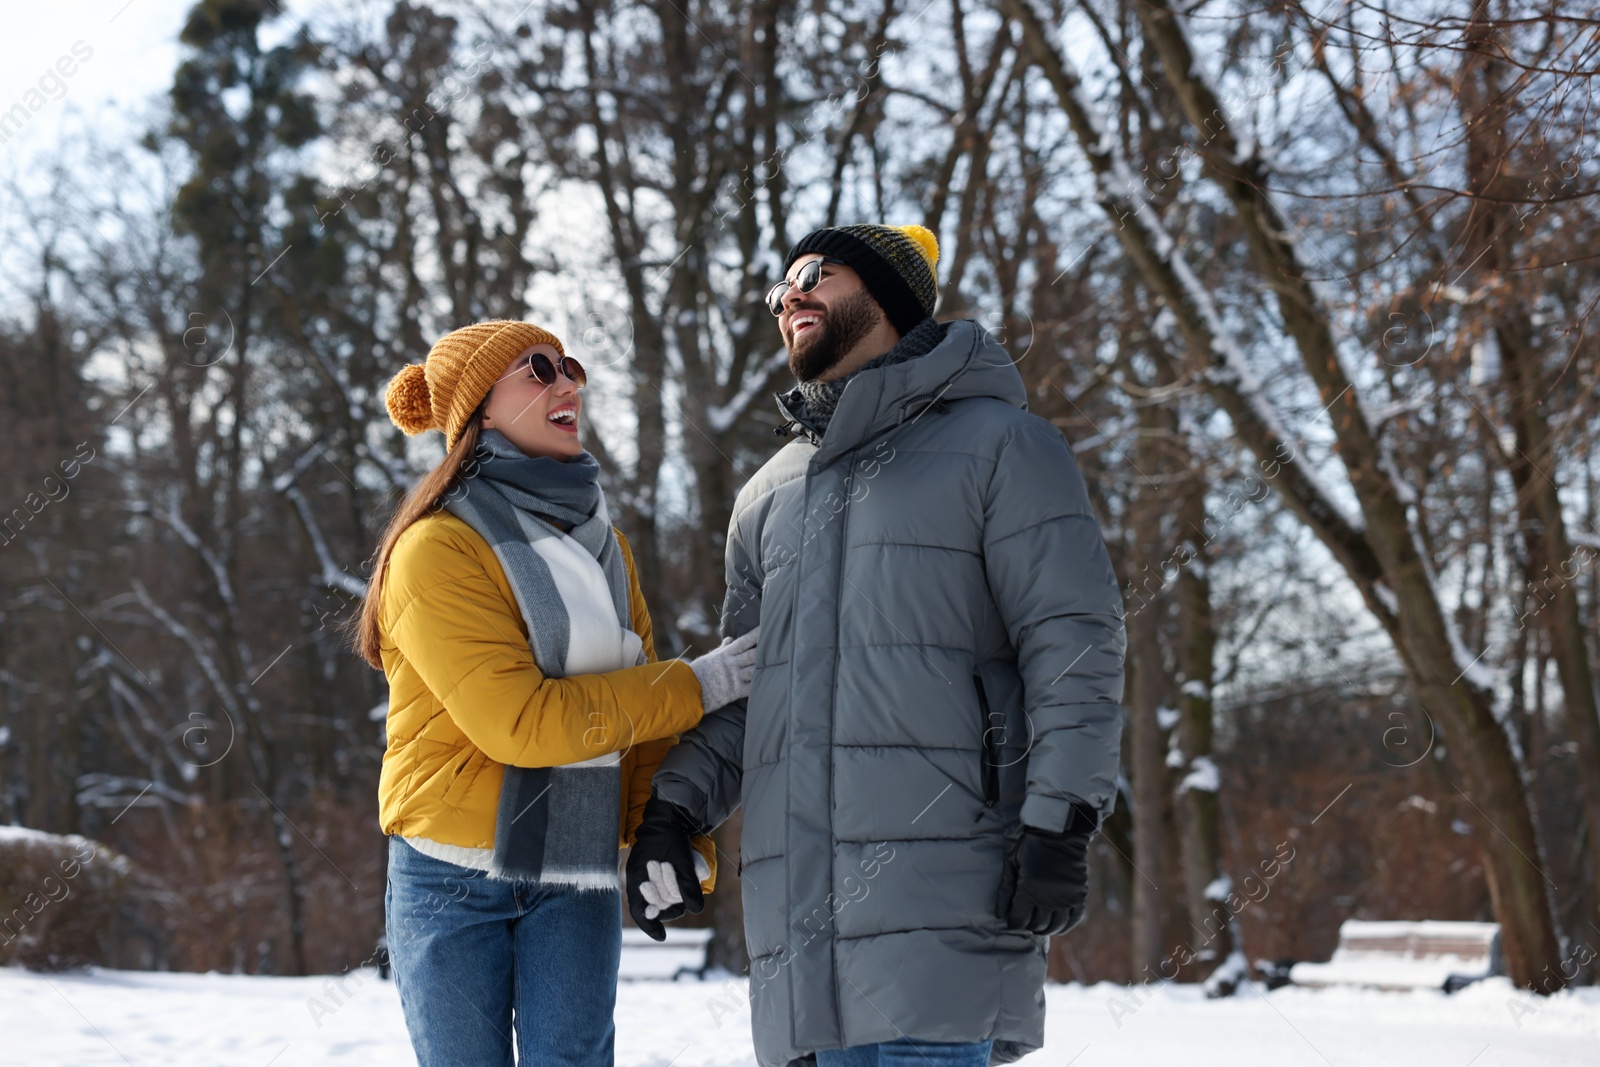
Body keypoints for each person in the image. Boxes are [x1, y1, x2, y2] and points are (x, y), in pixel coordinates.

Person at [625, 225, 1126, 1067]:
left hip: (945, 903)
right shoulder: (766, 496)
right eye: (780, 286)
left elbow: (1074, 643)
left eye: (814, 273)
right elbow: (750, 688)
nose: (791, 296)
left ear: (890, 294)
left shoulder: (1001, 447)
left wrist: (1062, 820)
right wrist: (674, 810)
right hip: (799, 937)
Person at [351, 320, 759, 1067]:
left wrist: (668, 837)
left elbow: (631, 713)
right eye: (538, 370)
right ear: (479, 409)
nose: (568, 382)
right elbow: (523, 722)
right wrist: (700, 683)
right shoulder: (436, 550)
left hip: (574, 864)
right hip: (452, 876)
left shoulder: (605, 544)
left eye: (567, 365)